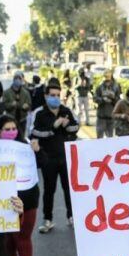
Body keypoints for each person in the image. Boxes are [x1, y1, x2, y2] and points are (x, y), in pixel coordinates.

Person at [0, 115, 41, 256]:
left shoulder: (25, 144)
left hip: (28, 198)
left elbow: (41, 164)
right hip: (4, 199)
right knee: (8, 236)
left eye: (14, 128)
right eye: (7, 129)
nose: (12, 132)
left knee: (23, 235)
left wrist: (37, 151)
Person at [29, 77, 79, 234]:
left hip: (66, 158)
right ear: (46, 96)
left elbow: (76, 127)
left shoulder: (66, 110)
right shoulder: (40, 113)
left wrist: (67, 125)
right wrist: (53, 127)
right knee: (49, 190)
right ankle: (47, 219)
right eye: (52, 95)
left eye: (58, 95)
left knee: (68, 189)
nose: (55, 98)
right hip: (48, 158)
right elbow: (34, 133)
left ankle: (72, 217)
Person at [94, 70, 120, 138]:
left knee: (110, 138)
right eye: (106, 80)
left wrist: (113, 98)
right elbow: (95, 98)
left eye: (109, 80)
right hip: (101, 117)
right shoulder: (100, 86)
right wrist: (102, 99)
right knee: (99, 137)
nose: (107, 82)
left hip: (111, 116)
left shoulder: (116, 87)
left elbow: (119, 101)